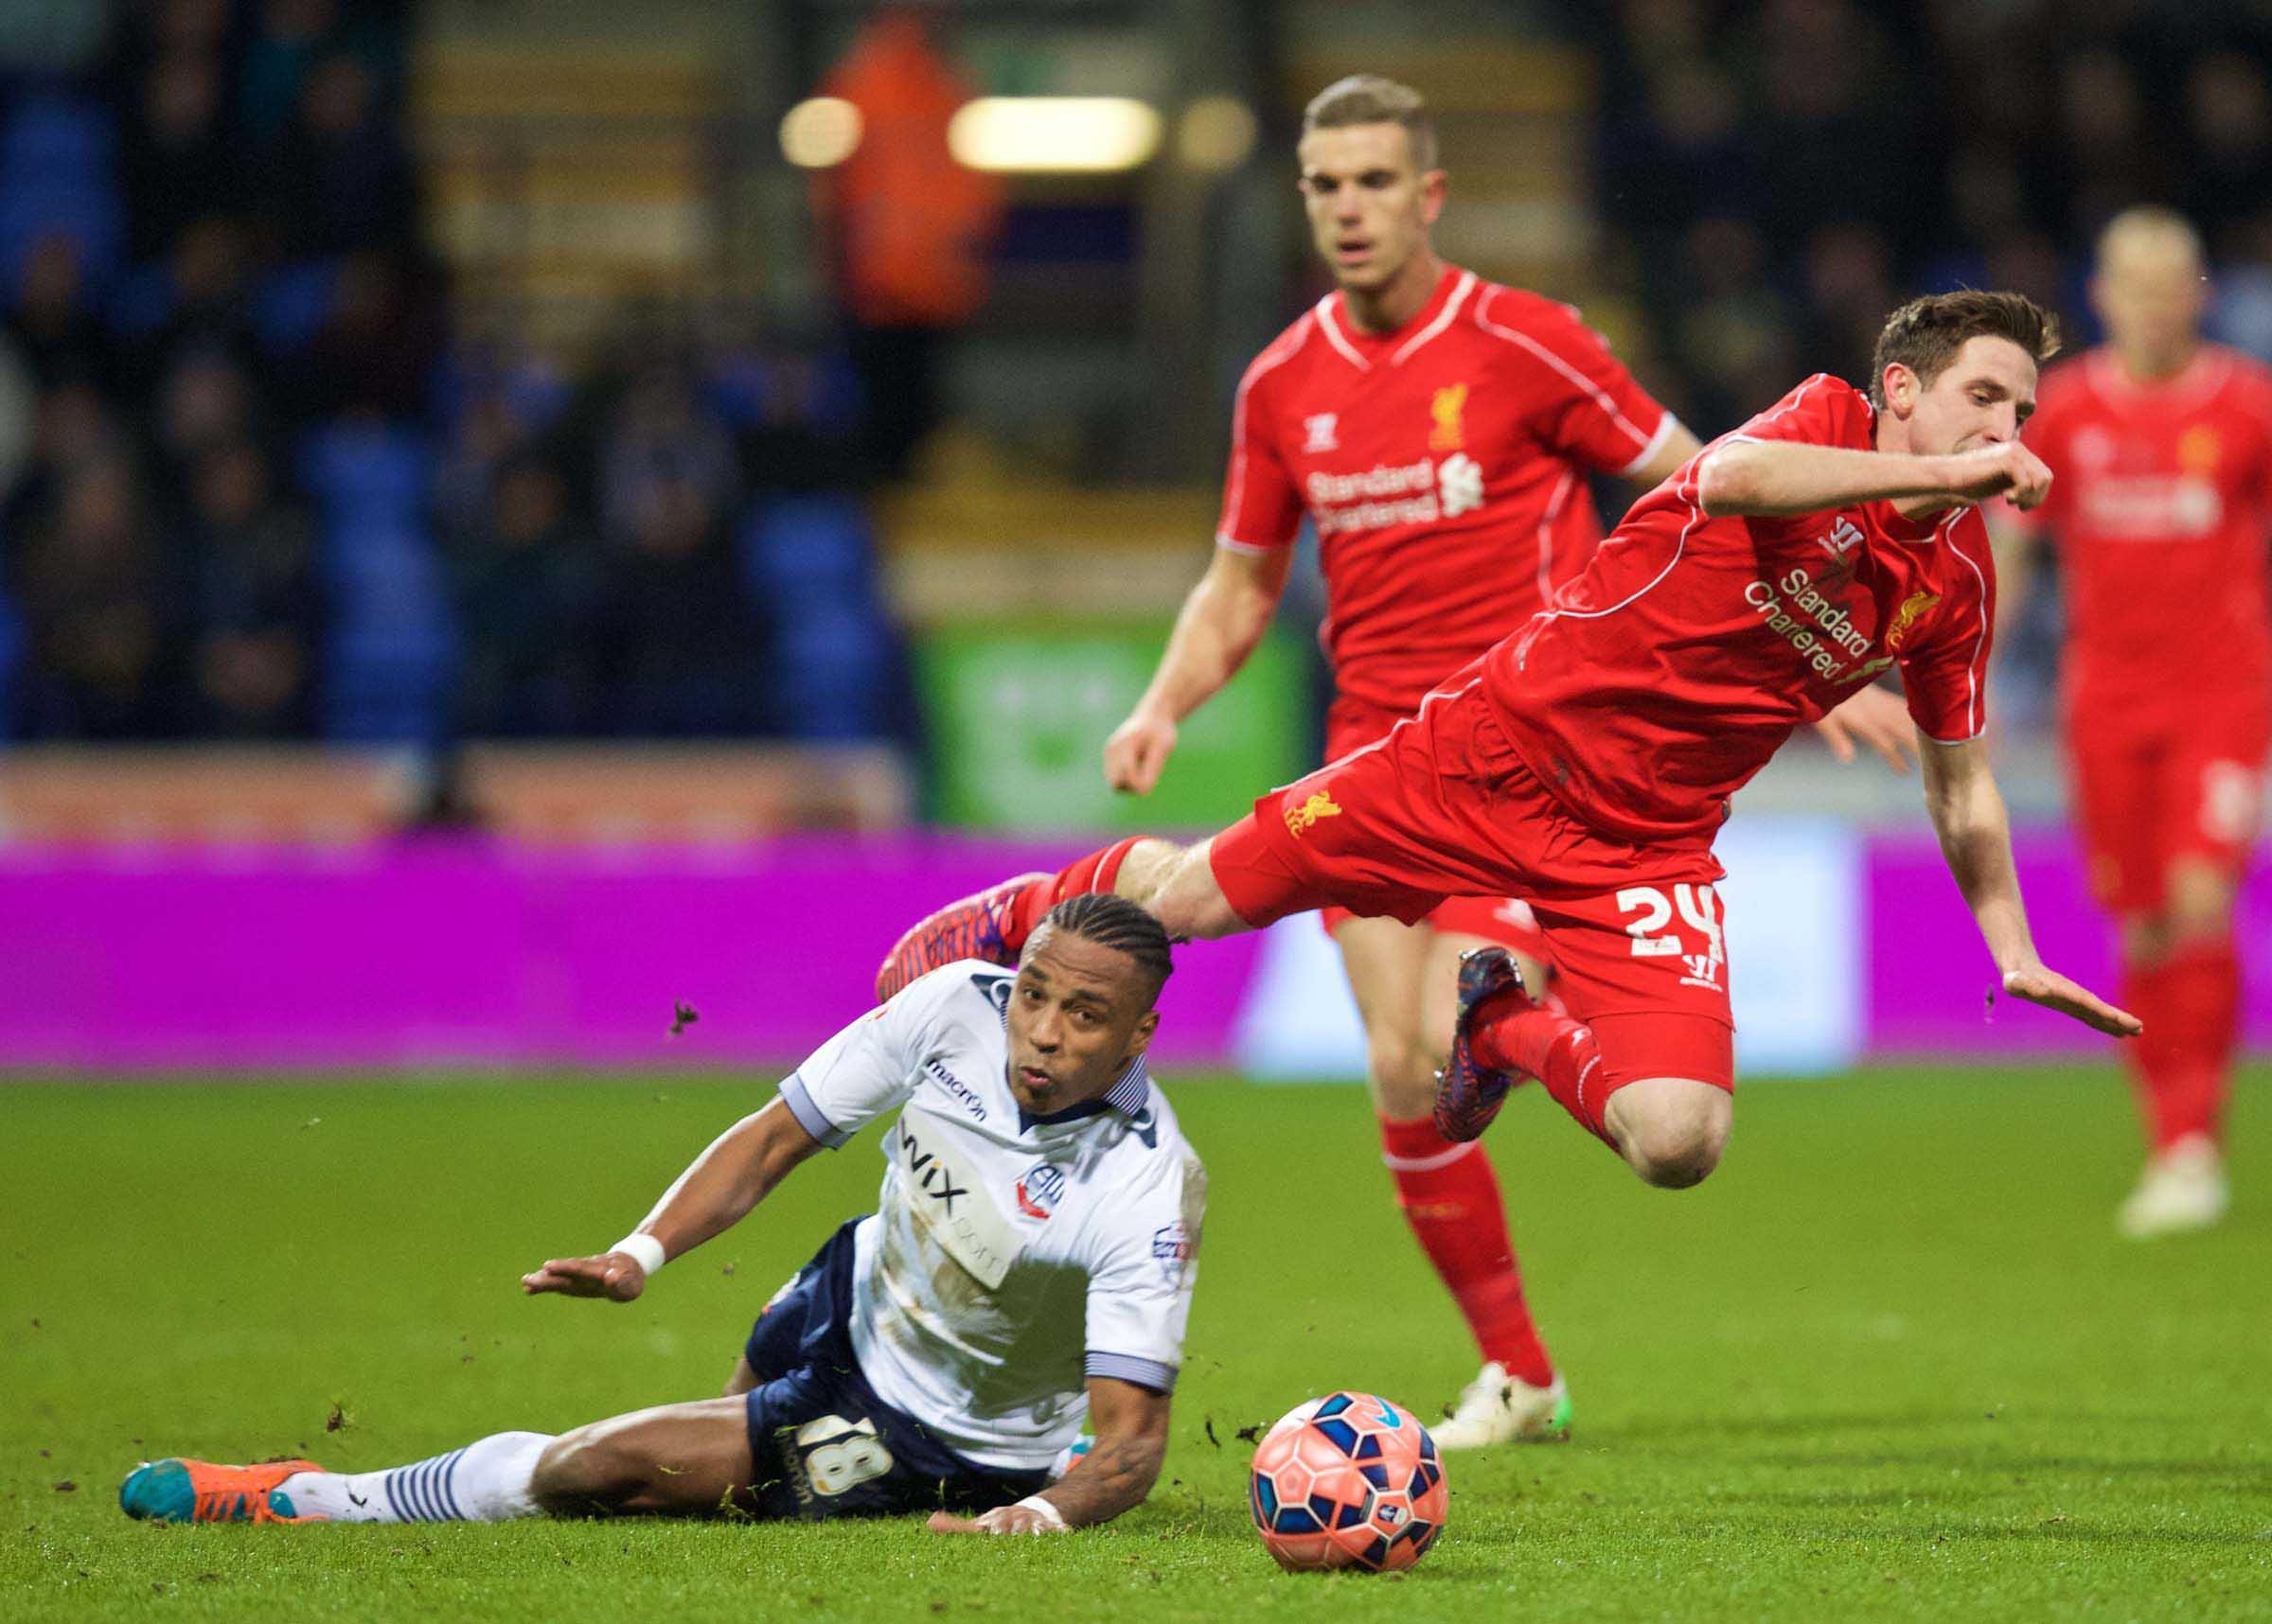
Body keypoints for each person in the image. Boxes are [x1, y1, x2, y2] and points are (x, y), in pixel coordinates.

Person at [877, 291, 2139, 1207]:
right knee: (1182, 905)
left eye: (2021, 409)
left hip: (1644, 850)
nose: (2005, 425)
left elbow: (1960, 781)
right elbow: (1738, 482)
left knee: (1679, 1141)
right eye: (1983, 396)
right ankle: (1032, 904)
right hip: (1480, 756)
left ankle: (1496, 1033)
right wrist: (1977, 482)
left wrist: (2014, 948)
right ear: (1900, 394)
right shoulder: (1810, 422)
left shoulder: (1954, 589)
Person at [119, 896, 1204, 1538]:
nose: (1044, 1032)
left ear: (1141, 1034)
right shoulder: (952, 1006)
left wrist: (1043, 1513)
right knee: (717, 1434)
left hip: (926, 1435)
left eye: (1086, 1015)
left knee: (605, 1474)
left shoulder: (1148, 1184)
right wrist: (642, 1252)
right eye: (1034, 995)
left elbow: (1135, 1447)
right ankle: (741, 1428)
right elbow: (775, 1136)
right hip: (851, 1287)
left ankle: (309, 1497)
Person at [1993, 208, 2272, 1238]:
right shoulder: (2065, 413)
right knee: (2144, 920)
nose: (2154, 302)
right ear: (2102, 297)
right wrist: (1966, 675)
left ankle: (2195, 1144)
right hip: (2105, 702)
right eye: (2133, 283)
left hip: (2222, 699)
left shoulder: (2248, 406)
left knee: (2202, 897)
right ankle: (2169, 1140)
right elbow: (2012, 550)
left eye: (2172, 282)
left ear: (2197, 293)